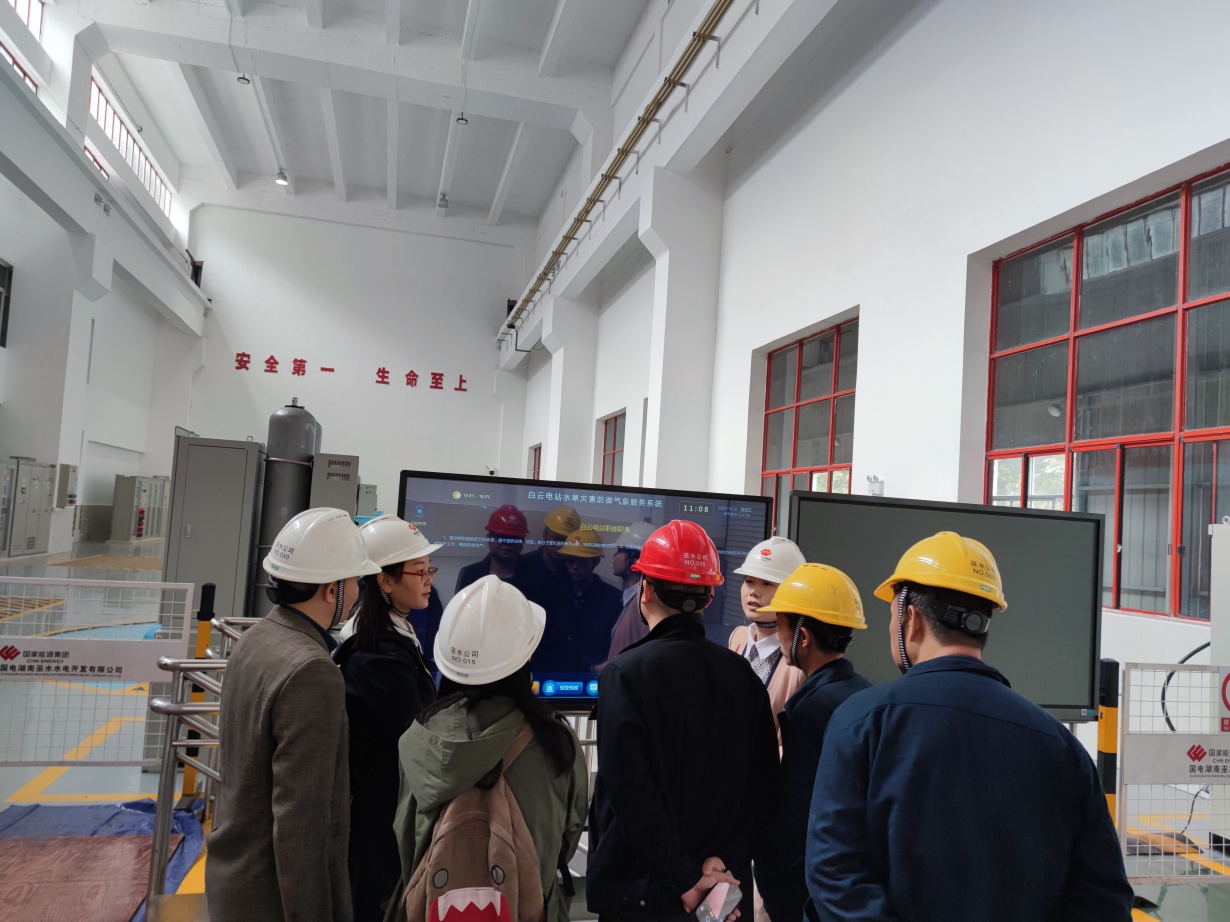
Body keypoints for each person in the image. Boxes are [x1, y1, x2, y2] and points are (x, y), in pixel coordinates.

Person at [806, 532, 1134, 922]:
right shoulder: (1059, 745)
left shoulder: (861, 721)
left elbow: (835, 873)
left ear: (910, 620)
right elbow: (1102, 897)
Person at [588, 520, 780, 922]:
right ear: (709, 596)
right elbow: (763, 787)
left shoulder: (624, 675)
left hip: (644, 894)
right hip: (721, 891)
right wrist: (720, 865)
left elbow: (630, 794)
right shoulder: (744, 676)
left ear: (645, 590)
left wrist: (687, 879)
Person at [207, 508, 380, 922]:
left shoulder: (255, 639)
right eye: (355, 581)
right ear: (332, 590)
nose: (358, 591)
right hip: (274, 899)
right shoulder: (312, 670)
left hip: (233, 880)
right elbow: (301, 822)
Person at [387, 575, 588, 922]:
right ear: (526, 655)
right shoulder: (556, 741)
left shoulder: (419, 738)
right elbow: (566, 841)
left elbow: (406, 841)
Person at [335, 515, 442, 922]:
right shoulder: (377, 654)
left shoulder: (390, 633)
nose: (428, 580)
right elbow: (414, 731)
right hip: (382, 810)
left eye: (429, 569)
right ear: (384, 581)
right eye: (419, 571)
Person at [751, 563, 872, 922]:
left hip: (807, 889)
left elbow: (797, 814)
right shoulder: (863, 692)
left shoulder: (811, 710)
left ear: (802, 638)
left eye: (781, 626)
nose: (779, 636)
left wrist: (769, 876)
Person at [727, 537, 807, 740]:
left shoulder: (800, 659)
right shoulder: (738, 637)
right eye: (749, 581)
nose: (754, 591)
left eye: (767, 583)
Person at [557, 527, 624, 670]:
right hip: (558, 675)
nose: (575, 566)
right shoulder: (558, 594)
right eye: (570, 560)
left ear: (595, 562)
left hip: (598, 676)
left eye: (582, 561)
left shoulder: (613, 600)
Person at [605, 521, 657, 661]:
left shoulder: (645, 604)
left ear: (635, 559)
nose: (614, 556)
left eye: (620, 551)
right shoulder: (633, 599)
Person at [454, 504, 530, 592]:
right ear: (488, 538)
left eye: (514, 538)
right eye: (501, 537)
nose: (507, 543)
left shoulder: (534, 579)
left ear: (522, 542)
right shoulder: (470, 574)